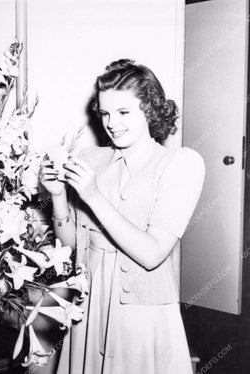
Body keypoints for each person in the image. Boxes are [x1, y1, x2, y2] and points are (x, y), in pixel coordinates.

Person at [39, 59, 205, 374]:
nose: (112, 123)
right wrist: (58, 195)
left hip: (140, 312)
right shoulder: (92, 159)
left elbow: (152, 253)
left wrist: (92, 195)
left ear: (151, 109)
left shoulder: (179, 165)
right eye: (105, 113)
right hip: (89, 304)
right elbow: (71, 244)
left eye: (123, 112)